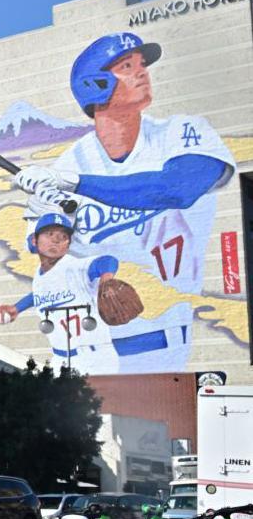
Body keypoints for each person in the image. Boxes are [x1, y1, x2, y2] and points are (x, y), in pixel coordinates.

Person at [15, 32, 236, 373]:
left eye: (142, 64)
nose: (142, 72)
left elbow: (178, 188)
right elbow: (44, 258)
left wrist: (75, 184)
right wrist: (43, 207)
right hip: (83, 351)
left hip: (165, 345)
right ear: (94, 84)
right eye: (127, 65)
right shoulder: (63, 168)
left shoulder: (182, 132)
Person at [0, 214, 120, 374]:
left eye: (63, 236)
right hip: (59, 360)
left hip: (94, 358)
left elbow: (107, 261)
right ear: (35, 240)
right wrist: (17, 308)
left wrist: (106, 278)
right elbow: (38, 294)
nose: (56, 240)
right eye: (49, 234)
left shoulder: (73, 267)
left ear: (68, 244)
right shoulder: (40, 276)